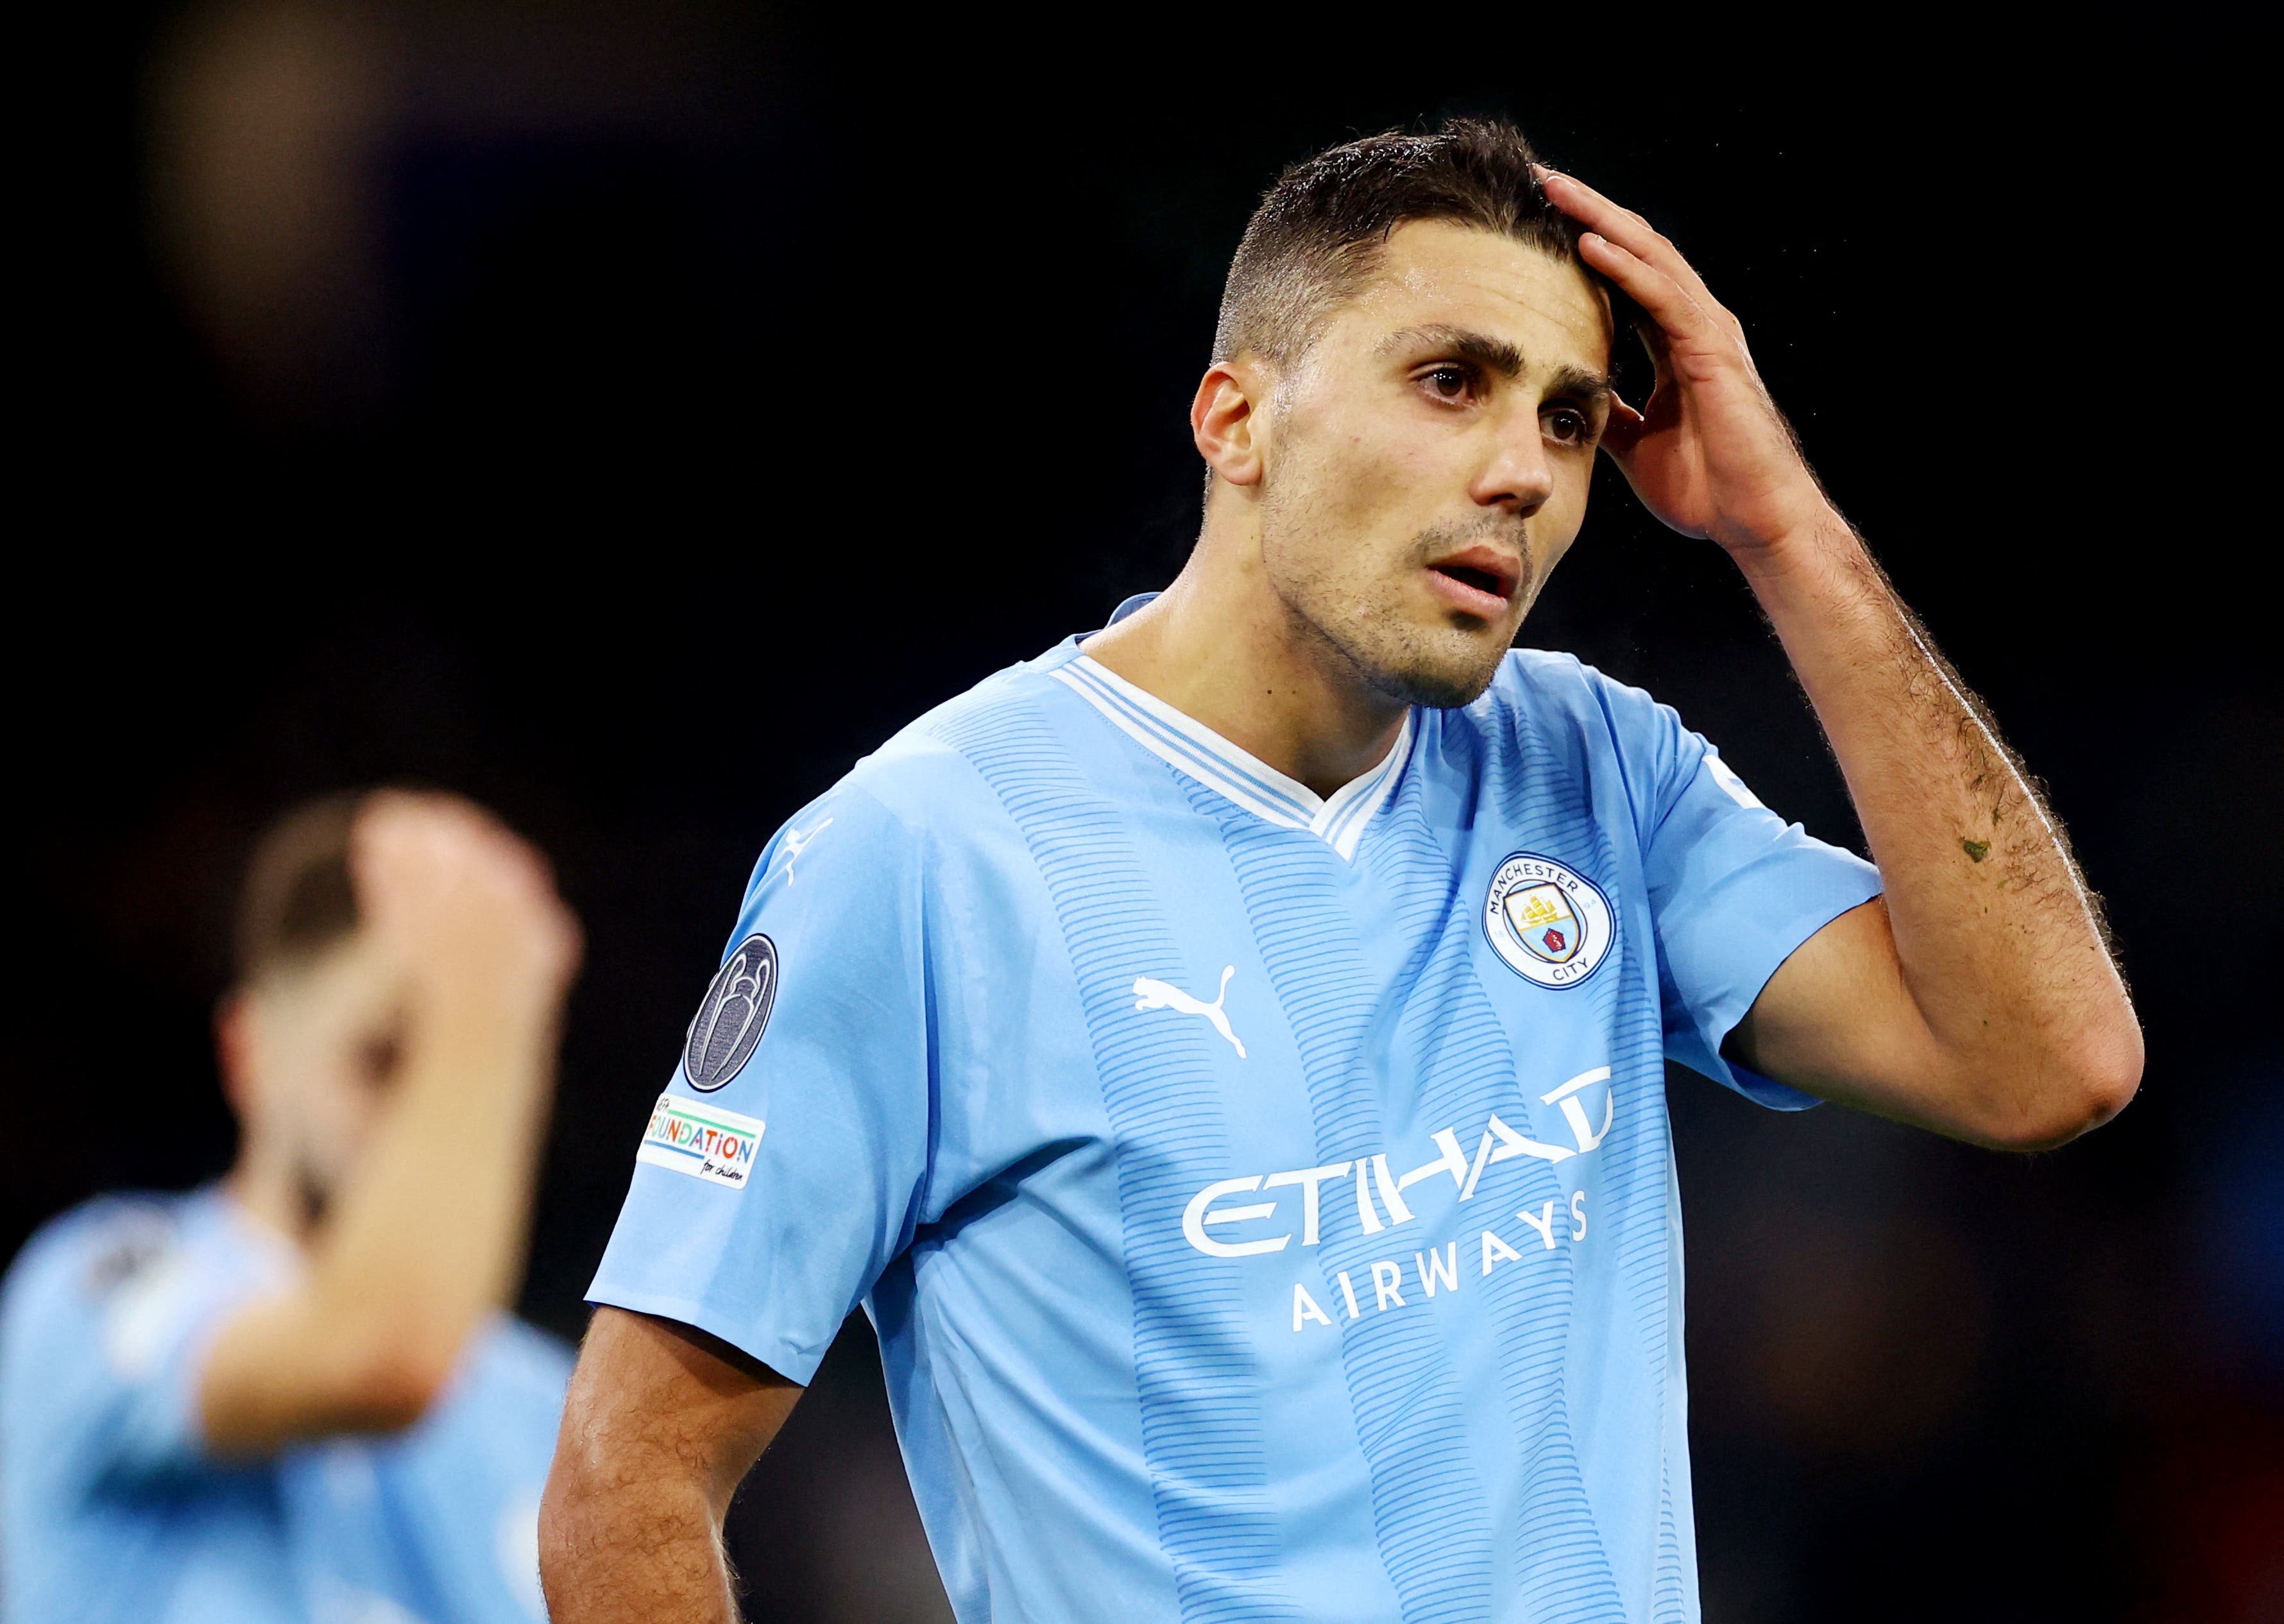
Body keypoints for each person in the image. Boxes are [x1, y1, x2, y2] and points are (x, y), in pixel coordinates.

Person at [538, 119, 2143, 1623]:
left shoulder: (1595, 767)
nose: (1523, 467)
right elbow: (626, 1481)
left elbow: (2047, 1061)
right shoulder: (920, 854)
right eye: (1454, 381)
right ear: (1236, 417)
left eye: (1570, 418)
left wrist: (1783, 527)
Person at [1, 791, 582, 1623]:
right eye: (382, 1058)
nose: (435, 1119)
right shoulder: (97, 1282)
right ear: (250, 1052)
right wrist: (480, 998)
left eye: (459, 1074)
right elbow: (378, 1349)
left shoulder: (547, 1406)